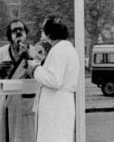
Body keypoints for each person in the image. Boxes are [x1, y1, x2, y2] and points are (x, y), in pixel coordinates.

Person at [27, 14, 80, 142]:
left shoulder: (58, 50)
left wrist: (35, 69)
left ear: (50, 32)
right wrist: (43, 64)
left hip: (55, 105)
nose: (41, 31)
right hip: (61, 104)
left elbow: (54, 80)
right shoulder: (66, 48)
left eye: (43, 29)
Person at [0, 19, 36, 142]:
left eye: (21, 29)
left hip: (24, 104)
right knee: (3, 135)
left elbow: (38, 77)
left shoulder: (34, 52)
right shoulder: (1, 52)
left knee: (22, 137)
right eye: (14, 30)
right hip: (4, 102)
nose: (18, 32)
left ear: (26, 33)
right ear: (9, 36)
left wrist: (28, 58)